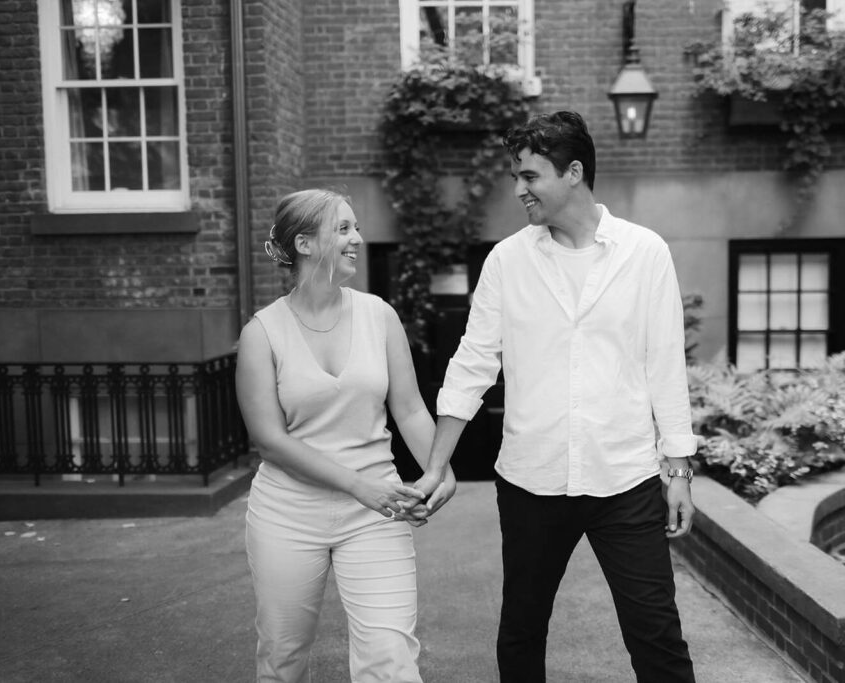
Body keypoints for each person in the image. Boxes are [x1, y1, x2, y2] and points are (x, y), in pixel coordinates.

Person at [413, 111, 698, 682]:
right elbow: (472, 365)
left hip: (625, 478)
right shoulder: (506, 260)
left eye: (529, 176)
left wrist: (679, 467)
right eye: (516, 176)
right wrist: (434, 465)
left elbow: (664, 363)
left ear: (573, 172)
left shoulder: (645, 253)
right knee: (521, 630)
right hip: (531, 481)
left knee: (656, 633)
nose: (518, 189)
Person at [235, 188, 455, 683]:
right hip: (288, 514)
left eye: (355, 227)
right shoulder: (261, 334)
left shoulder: (380, 315)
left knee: (390, 660)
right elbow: (270, 440)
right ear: (305, 243)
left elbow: (410, 409)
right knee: (283, 657)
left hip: (377, 512)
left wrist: (439, 470)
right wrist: (359, 485)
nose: (357, 238)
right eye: (343, 229)